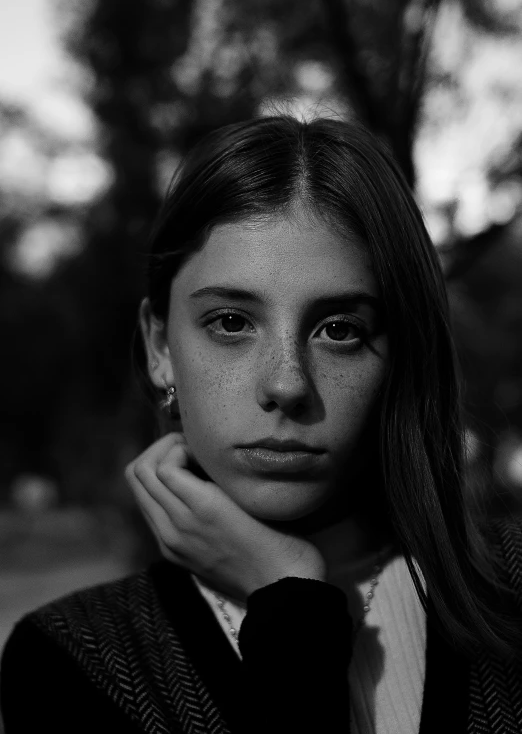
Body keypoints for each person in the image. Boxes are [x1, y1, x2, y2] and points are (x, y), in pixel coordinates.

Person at [1, 115, 522, 734]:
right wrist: (291, 604)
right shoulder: (72, 661)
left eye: (339, 330)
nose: (287, 384)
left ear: (402, 355)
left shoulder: (513, 594)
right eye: (230, 322)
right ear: (160, 345)